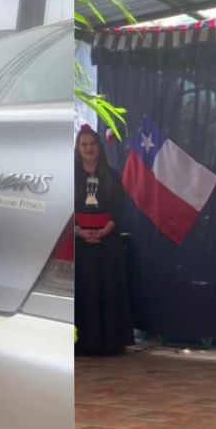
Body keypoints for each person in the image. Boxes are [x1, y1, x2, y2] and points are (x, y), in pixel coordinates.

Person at [74, 124, 134, 356]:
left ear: (99, 147)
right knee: (84, 292)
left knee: (107, 290)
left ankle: (108, 342)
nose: (89, 148)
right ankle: (83, 342)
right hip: (80, 243)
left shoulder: (112, 176)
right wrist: (80, 232)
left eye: (92, 144)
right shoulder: (71, 175)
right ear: (78, 148)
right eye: (84, 144)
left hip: (107, 243)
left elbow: (120, 208)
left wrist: (105, 230)